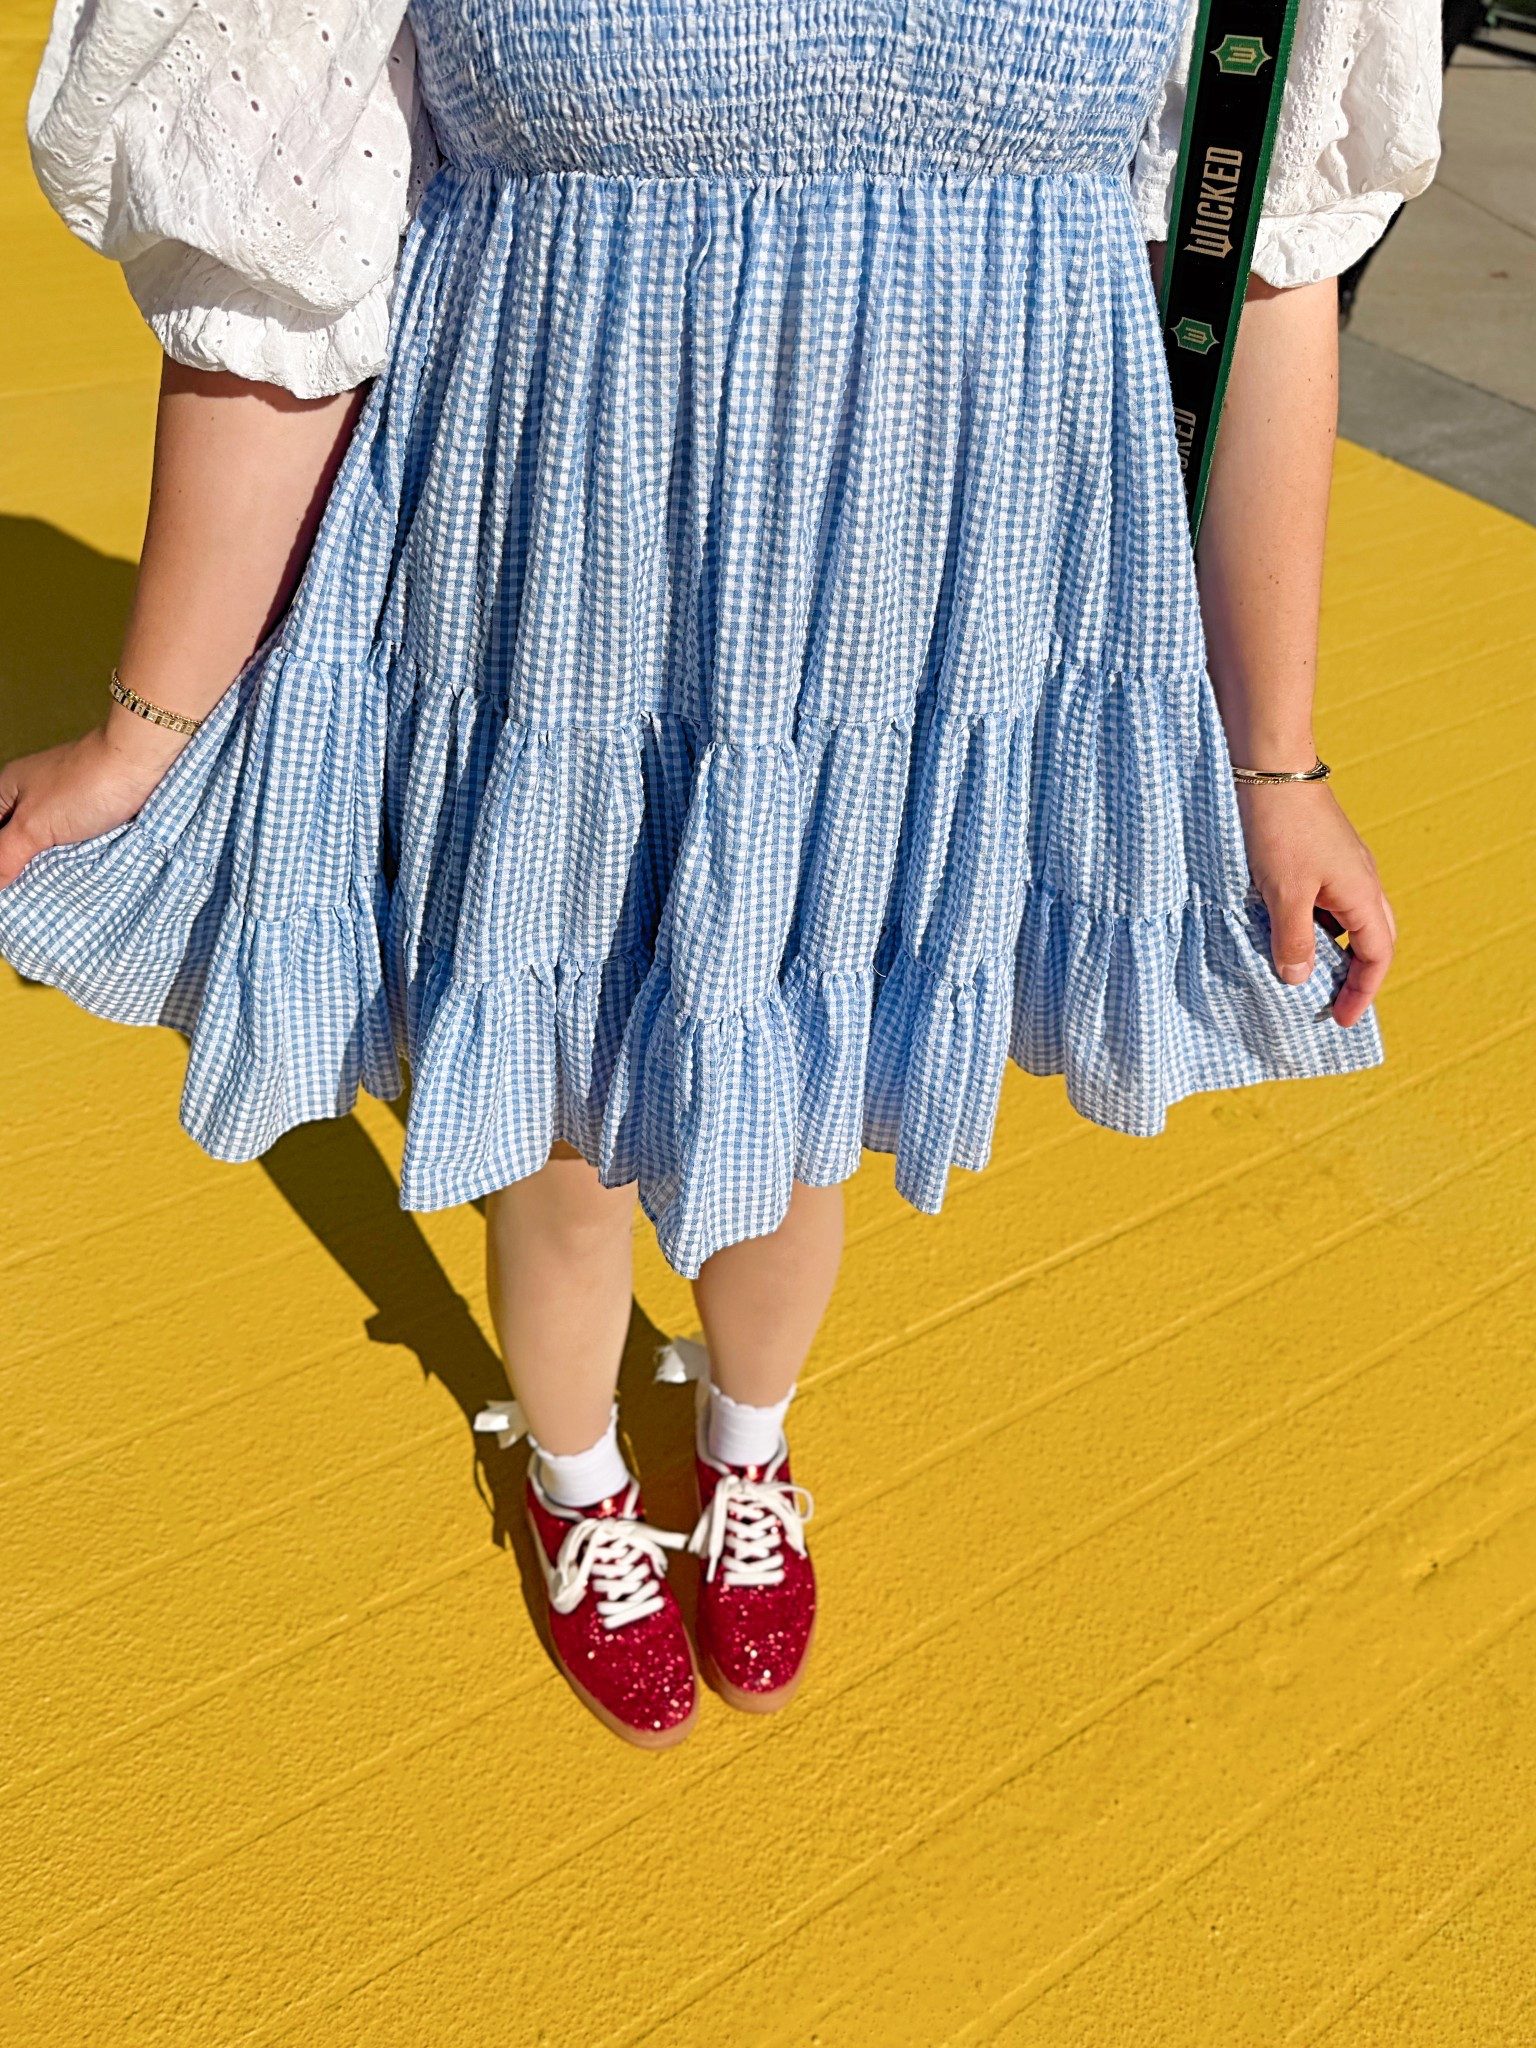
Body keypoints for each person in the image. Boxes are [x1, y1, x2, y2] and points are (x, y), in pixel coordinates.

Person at [0, 0, 1440, 1748]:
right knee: (558, 1107)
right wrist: (144, 737)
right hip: (556, 619)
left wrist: (1275, 763)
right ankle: (579, 1472)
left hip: (915, 634)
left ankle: (748, 1442)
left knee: (805, 1085)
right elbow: (283, 284)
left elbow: (1258, 256)